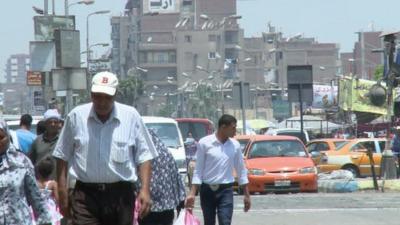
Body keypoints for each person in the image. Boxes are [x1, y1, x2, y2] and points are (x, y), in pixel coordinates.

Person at [52, 71, 158, 225]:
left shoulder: (131, 116)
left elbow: (144, 156)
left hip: (121, 196)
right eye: (97, 96)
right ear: (91, 94)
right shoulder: (76, 117)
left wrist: (145, 190)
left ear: (115, 95)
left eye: (107, 97)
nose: (102, 102)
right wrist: (62, 194)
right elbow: (62, 156)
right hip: (85, 195)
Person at [185, 114, 251, 225]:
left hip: (226, 190)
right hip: (207, 190)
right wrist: (192, 193)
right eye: (233, 128)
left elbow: (241, 170)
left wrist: (246, 195)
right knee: (209, 222)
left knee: (225, 221)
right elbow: (198, 170)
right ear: (223, 127)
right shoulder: (204, 143)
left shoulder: (235, 145)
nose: (235, 131)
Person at [0, 118, 52, 225]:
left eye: (0, 137)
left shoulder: (21, 162)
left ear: (8, 136)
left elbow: (35, 197)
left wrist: (45, 221)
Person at [137, 129, 186, 225]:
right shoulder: (166, 153)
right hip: (166, 208)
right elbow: (177, 179)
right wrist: (180, 203)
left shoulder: (141, 156)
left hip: (145, 207)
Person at [29, 109, 62, 179]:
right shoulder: (37, 141)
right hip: (40, 184)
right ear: (45, 124)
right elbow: (30, 161)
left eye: (55, 122)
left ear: (59, 124)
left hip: (58, 183)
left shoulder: (63, 140)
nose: (53, 124)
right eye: (50, 122)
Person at [35, 157, 63, 225]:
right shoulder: (53, 184)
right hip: (49, 208)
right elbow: (57, 199)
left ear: (38, 170)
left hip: (37, 207)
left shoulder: (35, 183)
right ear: (51, 171)